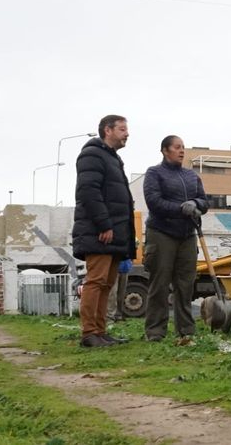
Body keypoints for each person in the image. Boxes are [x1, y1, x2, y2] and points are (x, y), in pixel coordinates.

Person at [72, 115, 136, 348]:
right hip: (100, 232)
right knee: (96, 281)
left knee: (107, 284)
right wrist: (104, 225)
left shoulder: (112, 158)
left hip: (114, 233)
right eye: (122, 129)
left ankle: (100, 331)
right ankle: (89, 333)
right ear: (107, 130)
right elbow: (89, 192)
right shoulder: (92, 154)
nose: (127, 134)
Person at [143, 135, 208, 344]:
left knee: (185, 285)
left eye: (183, 147)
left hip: (187, 236)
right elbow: (154, 203)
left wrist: (196, 203)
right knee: (159, 284)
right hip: (161, 233)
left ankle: (186, 330)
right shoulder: (154, 173)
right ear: (164, 150)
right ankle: (155, 331)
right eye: (177, 147)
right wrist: (181, 209)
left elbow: (204, 202)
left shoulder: (191, 176)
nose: (182, 151)